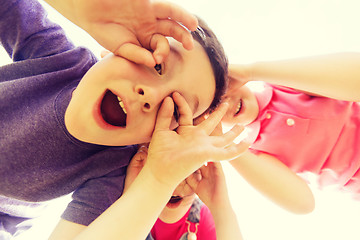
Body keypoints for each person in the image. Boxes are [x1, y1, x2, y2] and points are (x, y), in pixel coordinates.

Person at [0, 0, 248, 239]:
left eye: (173, 109)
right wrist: (78, 6)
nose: (150, 95)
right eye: (158, 65)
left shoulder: (113, 170)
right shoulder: (59, 60)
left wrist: (159, 178)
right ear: (112, 49)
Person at [220, 53, 360, 214]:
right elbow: (303, 204)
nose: (227, 101)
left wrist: (251, 72)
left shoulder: (282, 85)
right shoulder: (257, 151)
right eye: (214, 107)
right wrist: (222, 145)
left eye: (224, 86)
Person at [124, 144, 243, 240]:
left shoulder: (205, 221)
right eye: (165, 170)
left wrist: (220, 207)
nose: (176, 185)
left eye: (188, 172)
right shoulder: (128, 206)